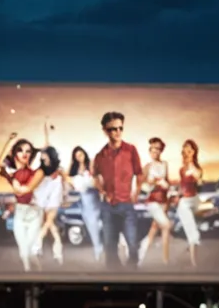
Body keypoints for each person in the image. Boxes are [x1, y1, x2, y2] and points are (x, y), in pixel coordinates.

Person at [93, 111, 143, 268]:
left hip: (127, 204)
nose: (118, 132)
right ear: (105, 131)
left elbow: (139, 173)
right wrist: (102, 191)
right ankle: (115, 278)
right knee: (110, 247)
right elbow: (95, 177)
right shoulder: (100, 156)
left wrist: (137, 191)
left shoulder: (131, 150)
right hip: (108, 207)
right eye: (112, 129)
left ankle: (132, 273)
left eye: (120, 128)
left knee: (133, 244)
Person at [0, 139, 44, 272]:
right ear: (15, 153)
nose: (24, 153)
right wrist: (8, 142)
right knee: (23, 250)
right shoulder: (13, 174)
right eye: (20, 150)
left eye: (28, 151)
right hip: (20, 212)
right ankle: (28, 273)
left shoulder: (36, 173)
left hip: (34, 213)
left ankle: (39, 273)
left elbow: (24, 190)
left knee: (29, 249)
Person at [64, 146, 103, 262]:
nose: (79, 157)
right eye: (76, 156)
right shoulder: (75, 168)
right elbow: (69, 180)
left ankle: (98, 247)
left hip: (92, 195)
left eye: (81, 154)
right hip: (83, 198)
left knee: (94, 221)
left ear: (84, 154)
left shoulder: (90, 164)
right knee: (90, 222)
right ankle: (98, 246)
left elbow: (97, 180)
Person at [138, 137, 171, 266]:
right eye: (153, 148)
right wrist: (150, 183)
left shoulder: (164, 164)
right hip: (152, 201)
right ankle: (166, 260)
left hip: (163, 201)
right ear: (149, 150)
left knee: (153, 230)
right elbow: (141, 186)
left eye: (158, 148)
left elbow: (167, 182)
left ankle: (139, 255)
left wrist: (167, 202)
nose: (155, 151)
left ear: (161, 150)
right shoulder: (147, 167)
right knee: (167, 226)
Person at [34, 145, 65, 265]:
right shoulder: (40, 171)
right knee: (52, 228)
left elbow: (64, 184)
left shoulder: (59, 170)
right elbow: (38, 187)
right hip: (42, 200)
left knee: (48, 224)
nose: (43, 159)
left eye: (45, 157)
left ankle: (37, 244)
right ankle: (58, 253)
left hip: (54, 200)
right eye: (42, 158)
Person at [177, 139, 203, 267]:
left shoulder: (196, 168)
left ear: (194, 152)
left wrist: (192, 165)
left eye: (190, 150)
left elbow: (198, 179)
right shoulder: (182, 170)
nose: (187, 153)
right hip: (185, 204)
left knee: (194, 229)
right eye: (185, 151)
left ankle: (190, 248)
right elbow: (182, 188)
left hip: (195, 201)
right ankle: (195, 266)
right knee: (194, 234)